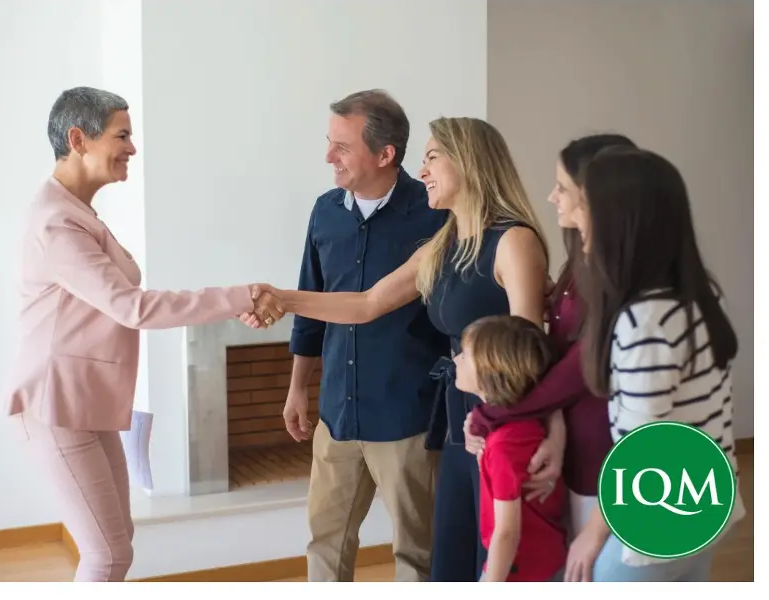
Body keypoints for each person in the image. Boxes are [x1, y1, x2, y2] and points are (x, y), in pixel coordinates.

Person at [246, 116, 563, 582]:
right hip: (459, 420)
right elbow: (367, 303)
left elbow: (534, 354)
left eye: (433, 157)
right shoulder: (444, 243)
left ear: (469, 164)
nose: (423, 171)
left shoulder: (513, 242)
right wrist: (283, 298)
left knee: (497, 558)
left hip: (503, 425)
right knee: (450, 562)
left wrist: (552, 431)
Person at [3, 86, 282, 582]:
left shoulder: (78, 212)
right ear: (78, 138)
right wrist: (240, 296)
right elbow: (132, 308)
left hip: (84, 404)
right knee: (106, 555)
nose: (132, 147)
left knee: (117, 544)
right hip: (56, 406)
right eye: (122, 135)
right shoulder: (57, 224)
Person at [251, 89, 450, 582]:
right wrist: (298, 388)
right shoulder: (325, 212)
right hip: (337, 413)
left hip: (407, 416)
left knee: (416, 552)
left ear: (385, 155)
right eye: (329, 142)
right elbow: (310, 309)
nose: (328, 157)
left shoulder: (435, 216)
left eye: (341, 146)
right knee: (325, 542)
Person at [564, 145, 745, 581]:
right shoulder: (693, 296)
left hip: (660, 515)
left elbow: (643, 446)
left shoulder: (645, 319)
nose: (575, 219)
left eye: (584, 205)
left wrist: (593, 531)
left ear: (620, 221)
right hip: (708, 499)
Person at [464, 134, 639, 546]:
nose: (551, 196)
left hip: (606, 455)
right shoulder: (580, 264)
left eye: (562, 187)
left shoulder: (619, 276)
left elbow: (577, 367)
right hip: (576, 446)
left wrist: (494, 414)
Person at [454, 315, 568, 582]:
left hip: (521, 572)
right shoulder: (521, 428)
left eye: (465, 356)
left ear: (491, 371)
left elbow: (507, 532)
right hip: (545, 561)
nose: (456, 359)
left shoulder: (503, 446)